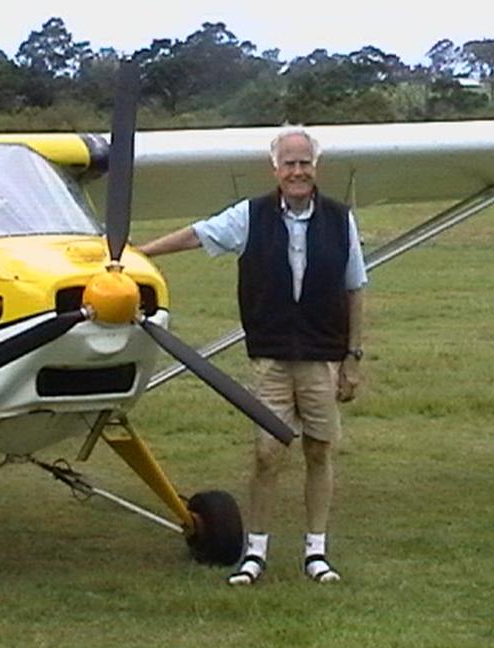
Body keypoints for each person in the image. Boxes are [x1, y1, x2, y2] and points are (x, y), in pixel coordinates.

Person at [139, 126, 367, 585]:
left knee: (319, 451)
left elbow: (355, 287)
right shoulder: (251, 215)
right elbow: (198, 235)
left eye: (304, 163)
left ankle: (316, 551)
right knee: (267, 452)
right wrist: (138, 254)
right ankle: (256, 550)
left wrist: (353, 357)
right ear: (276, 169)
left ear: (315, 168)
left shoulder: (341, 220)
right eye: (289, 163)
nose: (297, 171)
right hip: (272, 355)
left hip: (322, 355)